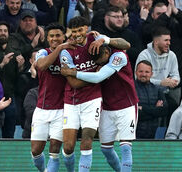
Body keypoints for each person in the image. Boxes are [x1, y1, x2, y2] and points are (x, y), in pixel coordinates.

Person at [60, 16, 132, 172]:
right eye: (73, 32)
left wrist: (104, 39)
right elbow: (73, 83)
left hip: (92, 99)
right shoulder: (66, 50)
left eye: (80, 30)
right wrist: (95, 76)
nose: (77, 35)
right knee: (68, 147)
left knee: (87, 140)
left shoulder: (96, 38)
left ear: (87, 28)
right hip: (71, 101)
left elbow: (126, 44)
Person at [30, 23, 75, 172]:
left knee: (54, 149)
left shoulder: (70, 55)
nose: (55, 38)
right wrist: (59, 49)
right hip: (42, 109)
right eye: (52, 36)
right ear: (47, 38)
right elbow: (42, 66)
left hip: (62, 109)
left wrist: (63, 50)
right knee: (36, 151)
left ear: (64, 37)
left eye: (58, 36)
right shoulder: (42, 52)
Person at [134, 60, 168, 139]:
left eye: (147, 72)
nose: (143, 74)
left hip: (153, 135)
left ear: (151, 74)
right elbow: (134, 114)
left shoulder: (157, 89)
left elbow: (164, 111)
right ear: (136, 72)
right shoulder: (130, 89)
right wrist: (155, 110)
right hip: (134, 135)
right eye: (141, 71)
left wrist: (143, 108)